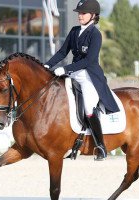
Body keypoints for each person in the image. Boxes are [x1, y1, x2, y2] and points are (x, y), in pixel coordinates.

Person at [44, 0, 119, 161]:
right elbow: (62, 52)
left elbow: (89, 61)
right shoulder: (74, 31)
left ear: (93, 16)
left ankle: (101, 146)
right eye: (79, 13)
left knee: (88, 108)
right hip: (73, 73)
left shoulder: (95, 34)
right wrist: (46, 65)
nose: (80, 16)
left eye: (83, 13)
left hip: (89, 76)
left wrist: (65, 69)